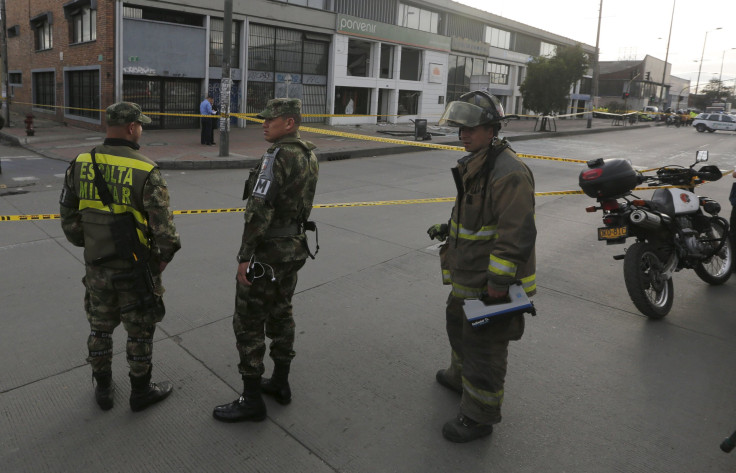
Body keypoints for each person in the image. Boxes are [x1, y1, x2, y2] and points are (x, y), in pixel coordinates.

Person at [427, 90, 537, 443]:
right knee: (457, 323)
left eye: (470, 129)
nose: (463, 135)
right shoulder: (475, 163)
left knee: (485, 346)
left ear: (492, 130)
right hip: (468, 274)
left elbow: (516, 233)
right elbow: (475, 215)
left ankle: (479, 416)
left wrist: (499, 284)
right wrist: (449, 230)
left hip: (490, 281)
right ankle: (460, 378)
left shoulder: (509, 172)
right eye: (460, 128)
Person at [59, 102, 181, 412]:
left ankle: (103, 389)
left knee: (100, 327)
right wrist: (158, 263)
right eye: (141, 125)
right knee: (139, 330)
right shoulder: (146, 170)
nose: (141, 130)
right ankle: (140, 392)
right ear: (131, 128)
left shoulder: (79, 163)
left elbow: (69, 220)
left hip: (97, 266)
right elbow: (165, 234)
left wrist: (93, 246)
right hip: (135, 268)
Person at [213, 98, 319, 423]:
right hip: (294, 248)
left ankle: (251, 399)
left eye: (270, 120)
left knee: (248, 321)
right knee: (282, 312)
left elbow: (259, 209)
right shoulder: (308, 154)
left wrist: (245, 256)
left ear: (290, 122)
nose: (264, 124)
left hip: (269, 252)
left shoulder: (276, 156)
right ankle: (281, 383)